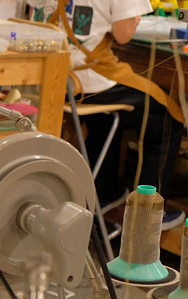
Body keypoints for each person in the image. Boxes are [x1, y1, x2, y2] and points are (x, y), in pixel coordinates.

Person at [50, 0, 185, 229]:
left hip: (59, 78)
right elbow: (123, 36)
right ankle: (147, 216)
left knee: (106, 117)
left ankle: (105, 190)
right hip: (92, 79)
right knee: (167, 117)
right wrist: (134, 18)